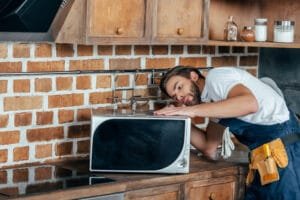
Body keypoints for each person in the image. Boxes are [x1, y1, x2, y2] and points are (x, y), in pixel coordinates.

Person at [154, 66, 300, 200]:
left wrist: (186, 110)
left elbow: (250, 103)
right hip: (265, 161)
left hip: (285, 154)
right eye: (174, 96)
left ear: (193, 76)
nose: (179, 97)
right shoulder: (213, 105)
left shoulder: (216, 77)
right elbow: (208, 148)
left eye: (179, 87)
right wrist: (177, 118)